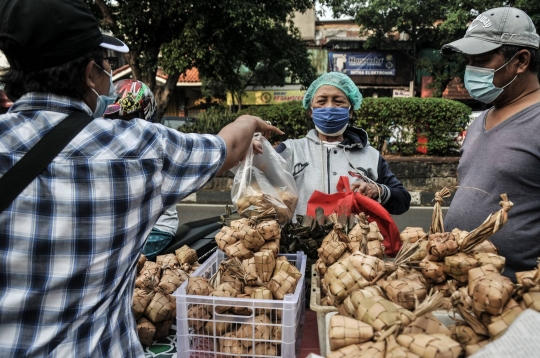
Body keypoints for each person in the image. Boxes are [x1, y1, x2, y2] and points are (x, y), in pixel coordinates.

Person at [0, 1, 282, 357]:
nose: (111, 81)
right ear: (90, 74)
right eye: (108, 68)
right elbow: (228, 147)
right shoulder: (137, 148)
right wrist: (249, 122)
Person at [441, 6, 540, 281]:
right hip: (465, 291)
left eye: (481, 60)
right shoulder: (479, 121)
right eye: (468, 61)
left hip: (517, 300)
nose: (470, 71)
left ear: (521, 61)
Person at [275, 72, 411, 216]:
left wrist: (378, 190)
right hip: (302, 238)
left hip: (354, 238)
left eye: (338, 101)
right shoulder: (290, 150)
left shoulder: (370, 156)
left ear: (350, 110)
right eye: (321, 101)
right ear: (311, 111)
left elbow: (403, 200)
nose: (330, 107)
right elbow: (258, 190)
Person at [104, 79, 178, 259]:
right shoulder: (119, 146)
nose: (120, 125)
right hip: (139, 228)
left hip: (156, 230)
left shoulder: (149, 145)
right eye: (116, 119)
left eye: (127, 119)